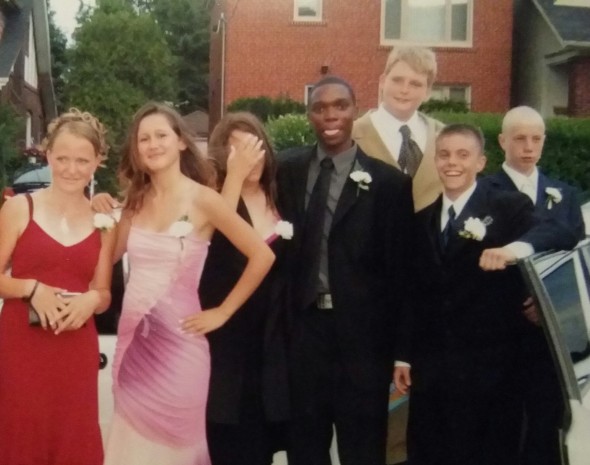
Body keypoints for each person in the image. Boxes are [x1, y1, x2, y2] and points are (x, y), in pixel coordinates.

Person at [100, 102, 274, 465]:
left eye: (161, 135)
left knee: (176, 451)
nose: (152, 144)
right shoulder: (135, 201)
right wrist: (102, 215)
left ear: (180, 142)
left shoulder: (204, 199)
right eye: (143, 138)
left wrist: (223, 312)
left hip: (181, 350)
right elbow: (111, 256)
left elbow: (263, 256)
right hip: (133, 349)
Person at [403, 124, 578, 465]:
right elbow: (413, 295)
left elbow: (561, 230)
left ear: (481, 162)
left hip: (491, 375)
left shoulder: (508, 206)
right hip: (433, 374)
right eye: (444, 155)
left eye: (463, 155)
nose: (452, 163)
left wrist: (514, 249)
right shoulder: (421, 220)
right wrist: (403, 355)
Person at [277, 76, 415, 465]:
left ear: (356, 111)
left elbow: (402, 275)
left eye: (340, 106)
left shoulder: (390, 185)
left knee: (363, 449)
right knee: (304, 447)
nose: (330, 115)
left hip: (363, 341)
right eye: (320, 108)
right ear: (309, 115)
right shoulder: (286, 171)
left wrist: (402, 353)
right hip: (303, 335)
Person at [0, 109, 115, 465]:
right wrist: (31, 288)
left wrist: (93, 299)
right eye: (62, 158)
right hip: (22, 348)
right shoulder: (20, 208)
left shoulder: (104, 221)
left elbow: (105, 293)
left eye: (82, 160)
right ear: (47, 154)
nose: (71, 168)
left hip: (75, 349)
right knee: (21, 435)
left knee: (72, 440)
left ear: (98, 161)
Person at [481, 105, 585, 465]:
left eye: (536, 138)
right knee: (500, 426)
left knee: (546, 424)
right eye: (519, 138)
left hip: (550, 335)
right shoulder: (483, 192)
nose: (528, 146)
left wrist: (549, 303)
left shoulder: (565, 194)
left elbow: (573, 250)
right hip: (499, 331)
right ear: (502, 141)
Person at [200, 111, 291, 465]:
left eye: (254, 147)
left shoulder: (284, 198)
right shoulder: (211, 200)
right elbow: (212, 238)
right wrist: (234, 178)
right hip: (227, 345)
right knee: (226, 444)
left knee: (262, 448)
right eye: (236, 150)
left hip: (273, 345)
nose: (249, 157)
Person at [352, 45, 445, 211]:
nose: (404, 90)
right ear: (382, 81)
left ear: (428, 91)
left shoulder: (445, 137)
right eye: (397, 80)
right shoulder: (351, 136)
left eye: (415, 84)